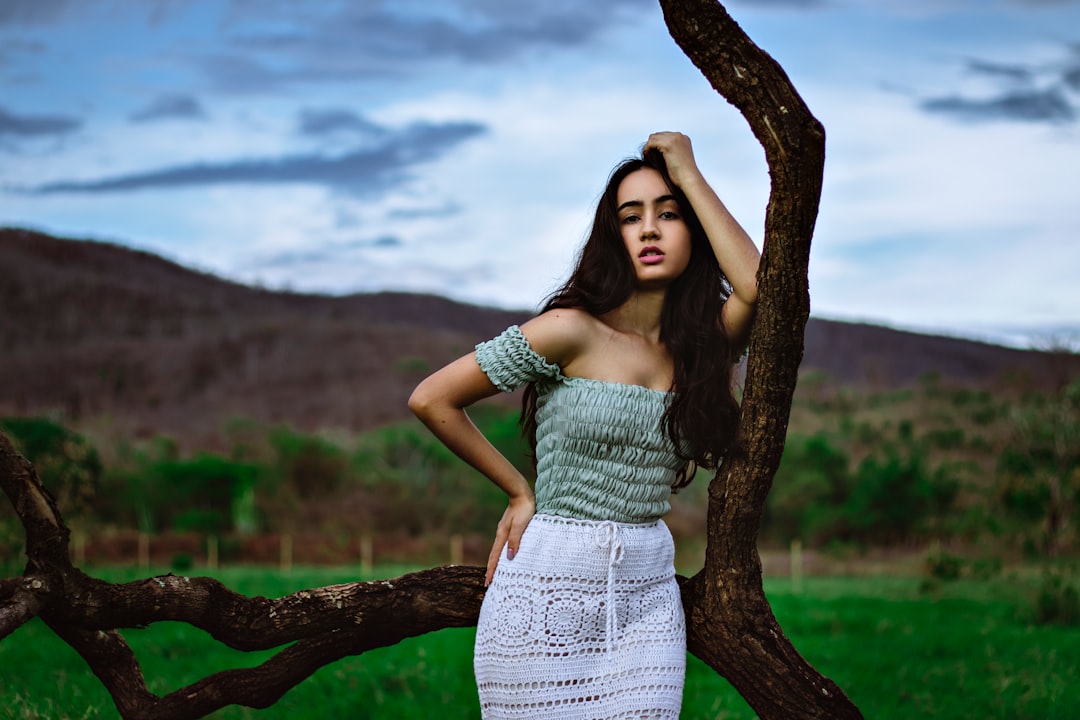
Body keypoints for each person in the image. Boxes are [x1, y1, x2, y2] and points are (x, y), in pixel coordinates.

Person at [408, 131, 760, 719]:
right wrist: (520, 492)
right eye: (631, 217)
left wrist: (689, 172)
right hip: (546, 578)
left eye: (668, 214)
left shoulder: (702, 348)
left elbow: (760, 286)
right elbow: (432, 399)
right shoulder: (569, 330)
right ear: (612, 235)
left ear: (693, 231)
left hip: (647, 590)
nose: (649, 229)